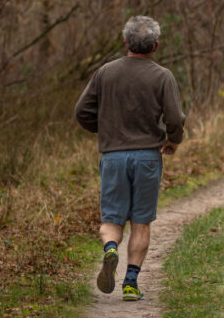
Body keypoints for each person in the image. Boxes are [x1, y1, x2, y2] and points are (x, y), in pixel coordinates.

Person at [74, 15, 185, 301]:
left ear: (125, 42)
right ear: (156, 46)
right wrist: (172, 140)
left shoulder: (105, 73)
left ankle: (110, 248)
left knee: (112, 217)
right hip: (148, 156)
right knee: (140, 222)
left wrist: (107, 130)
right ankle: (130, 284)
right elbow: (175, 118)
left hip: (113, 157)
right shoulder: (163, 76)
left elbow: (82, 112)